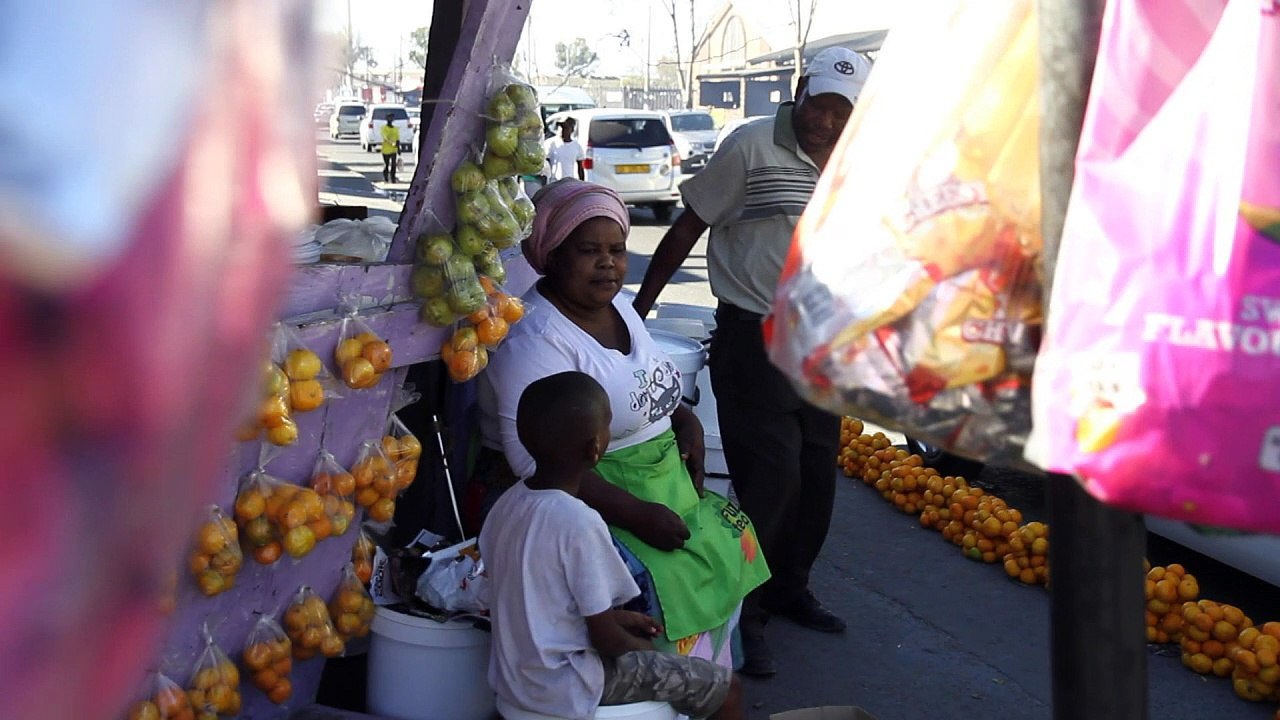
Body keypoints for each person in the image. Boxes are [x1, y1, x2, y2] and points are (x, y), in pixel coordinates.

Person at [631, 46, 874, 677]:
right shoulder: (749, 147)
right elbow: (687, 227)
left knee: (818, 480)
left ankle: (790, 588)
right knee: (773, 483)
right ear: (798, 91)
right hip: (753, 338)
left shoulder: (858, 161)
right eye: (819, 105)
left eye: (841, 111)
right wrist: (635, 313)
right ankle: (746, 614)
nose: (827, 121)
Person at [475, 178, 770, 673]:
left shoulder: (619, 309)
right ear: (551, 255)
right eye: (589, 251)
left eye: (616, 249)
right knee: (660, 584)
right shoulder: (536, 339)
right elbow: (532, 457)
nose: (608, 263)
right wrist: (634, 513)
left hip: (662, 482)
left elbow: (648, 377)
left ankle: (711, 672)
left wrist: (683, 417)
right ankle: (669, 686)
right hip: (599, 499)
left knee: (729, 544)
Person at [481, 371, 745, 720]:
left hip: (515, 680)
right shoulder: (580, 522)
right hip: (567, 684)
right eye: (608, 424)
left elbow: (532, 596)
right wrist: (653, 654)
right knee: (725, 689)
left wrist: (616, 617)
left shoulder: (507, 505)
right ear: (595, 448)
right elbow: (607, 640)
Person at [544, 117, 585, 181]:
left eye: (565, 127)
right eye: (560, 127)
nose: (561, 130)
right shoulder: (550, 143)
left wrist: (582, 183)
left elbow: (580, 168)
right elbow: (545, 164)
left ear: (572, 130)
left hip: (569, 182)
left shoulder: (577, 146)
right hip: (553, 182)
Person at [380, 112, 400, 183]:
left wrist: (399, 148)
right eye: (389, 118)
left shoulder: (395, 129)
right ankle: (386, 178)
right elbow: (385, 137)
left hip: (393, 150)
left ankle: (393, 178)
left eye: (391, 118)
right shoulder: (384, 128)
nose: (390, 119)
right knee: (387, 164)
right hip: (385, 150)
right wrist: (392, 143)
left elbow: (397, 139)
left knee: (393, 164)